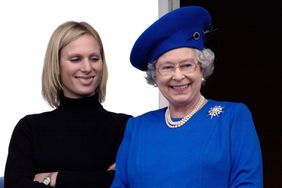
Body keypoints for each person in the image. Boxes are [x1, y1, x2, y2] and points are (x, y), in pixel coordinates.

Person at [111, 6, 263, 188]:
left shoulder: (232, 118)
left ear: (202, 68)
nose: (178, 76)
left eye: (186, 65)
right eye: (167, 67)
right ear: (155, 76)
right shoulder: (137, 128)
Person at [4, 21, 132, 187]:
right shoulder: (30, 128)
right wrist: (97, 179)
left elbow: (126, 183)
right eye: (75, 59)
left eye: (94, 58)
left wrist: (54, 178)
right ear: (56, 65)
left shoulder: (126, 126)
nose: (87, 67)